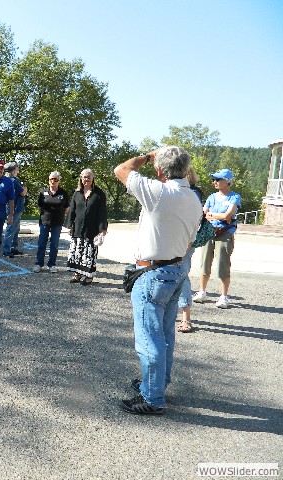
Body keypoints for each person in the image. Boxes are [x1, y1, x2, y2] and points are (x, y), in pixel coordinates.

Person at [114, 146, 201, 415]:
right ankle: (158, 384)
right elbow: (189, 241)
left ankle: (153, 398)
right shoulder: (194, 198)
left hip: (153, 273)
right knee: (165, 335)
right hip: (175, 270)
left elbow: (121, 170)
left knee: (149, 338)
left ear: (161, 170)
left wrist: (148, 156)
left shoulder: (160, 192)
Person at [192, 168, 242, 309]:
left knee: (223, 265)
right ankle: (202, 291)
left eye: (218, 179)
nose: (215, 182)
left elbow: (228, 215)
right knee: (204, 263)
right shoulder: (211, 197)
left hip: (225, 234)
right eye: (213, 179)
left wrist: (214, 215)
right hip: (209, 232)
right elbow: (204, 214)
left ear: (227, 181)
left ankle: (224, 296)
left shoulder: (235, 197)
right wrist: (219, 216)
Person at [66, 168, 108, 285]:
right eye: (84, 177)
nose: (86, 179)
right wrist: (70, 225)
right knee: (77, 252)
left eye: (89, 177)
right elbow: (72, 211)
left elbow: (102, 213)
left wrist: (103, 229)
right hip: (78, 228)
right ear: (81, 178)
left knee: (89, 253)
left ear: (93, 178)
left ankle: (89, 277)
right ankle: (77, 275)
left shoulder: (99, 194)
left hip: (92, 229)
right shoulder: (77, 193)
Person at [177, 167, 204, 333]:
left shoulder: (193, 193)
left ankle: (186, 317)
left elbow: (194, 221)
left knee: (182, 274)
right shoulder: (175, 191)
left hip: (186, 240)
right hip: (171, 239)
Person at [34, 171, 69, 273]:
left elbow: (66, 207)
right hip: (45, 221)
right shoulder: (43, 193)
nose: (53, 181)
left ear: (59, 181)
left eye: (55, 179)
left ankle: (52, 264)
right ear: (48, 181)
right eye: (51, 179)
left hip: (57, 222)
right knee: (41, 243)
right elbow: (40, 206)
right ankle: (39, 263)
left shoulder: (63, 193)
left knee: (54, 244)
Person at [2, 162, 27, 258]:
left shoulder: (7, 180)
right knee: (11, 228)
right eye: (17, 168)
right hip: (15, 208)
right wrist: (25, 189)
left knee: (16, 228)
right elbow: (23, 193)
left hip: (14, 207)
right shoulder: (13, 181)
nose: (18, 170)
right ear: (13, 170)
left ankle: (13, 247)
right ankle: (7, 249)